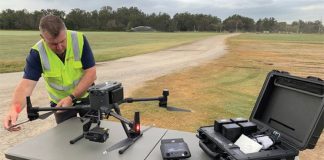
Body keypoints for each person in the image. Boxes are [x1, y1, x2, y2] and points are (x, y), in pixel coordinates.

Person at [3, 15, 97, 131]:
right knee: (66, 138)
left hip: (86, 97)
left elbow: (91, 73)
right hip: (60, 105)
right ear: (42, 37)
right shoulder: (37, 53)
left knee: (95, 133)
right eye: (53, 44)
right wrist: (14, 109)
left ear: (66, 31)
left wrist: (71, 97)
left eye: (62, 41)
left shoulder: (79, 39)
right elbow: (26, 85)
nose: (59, 47)